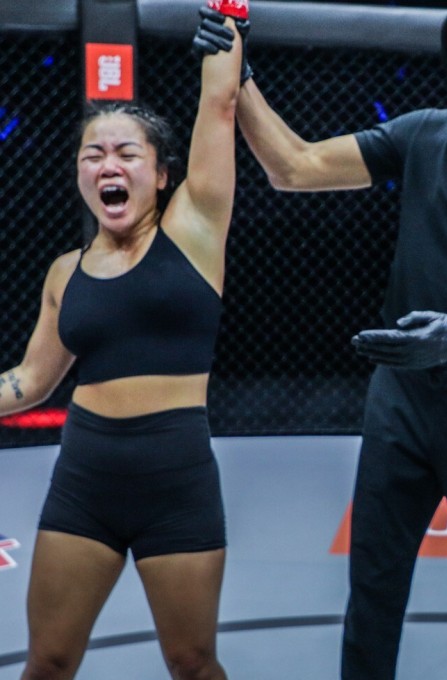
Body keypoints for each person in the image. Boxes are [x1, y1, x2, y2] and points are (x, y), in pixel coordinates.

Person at [193, 0, 447, 677]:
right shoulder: (425, 134)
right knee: (373, 593)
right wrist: (241, 77)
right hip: (400, 401)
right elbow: (293, 167)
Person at [2, 6, 246, 679]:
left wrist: (228, 21)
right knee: (47, 661)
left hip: (176, 478)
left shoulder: (194, 232)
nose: (107, 163)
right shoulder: (64, 272)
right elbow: (30, 380)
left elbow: (221, 106)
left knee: (193, 663)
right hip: (85, 481)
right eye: (93, 153)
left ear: (161, 175)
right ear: (82, 174)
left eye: (126, 152)